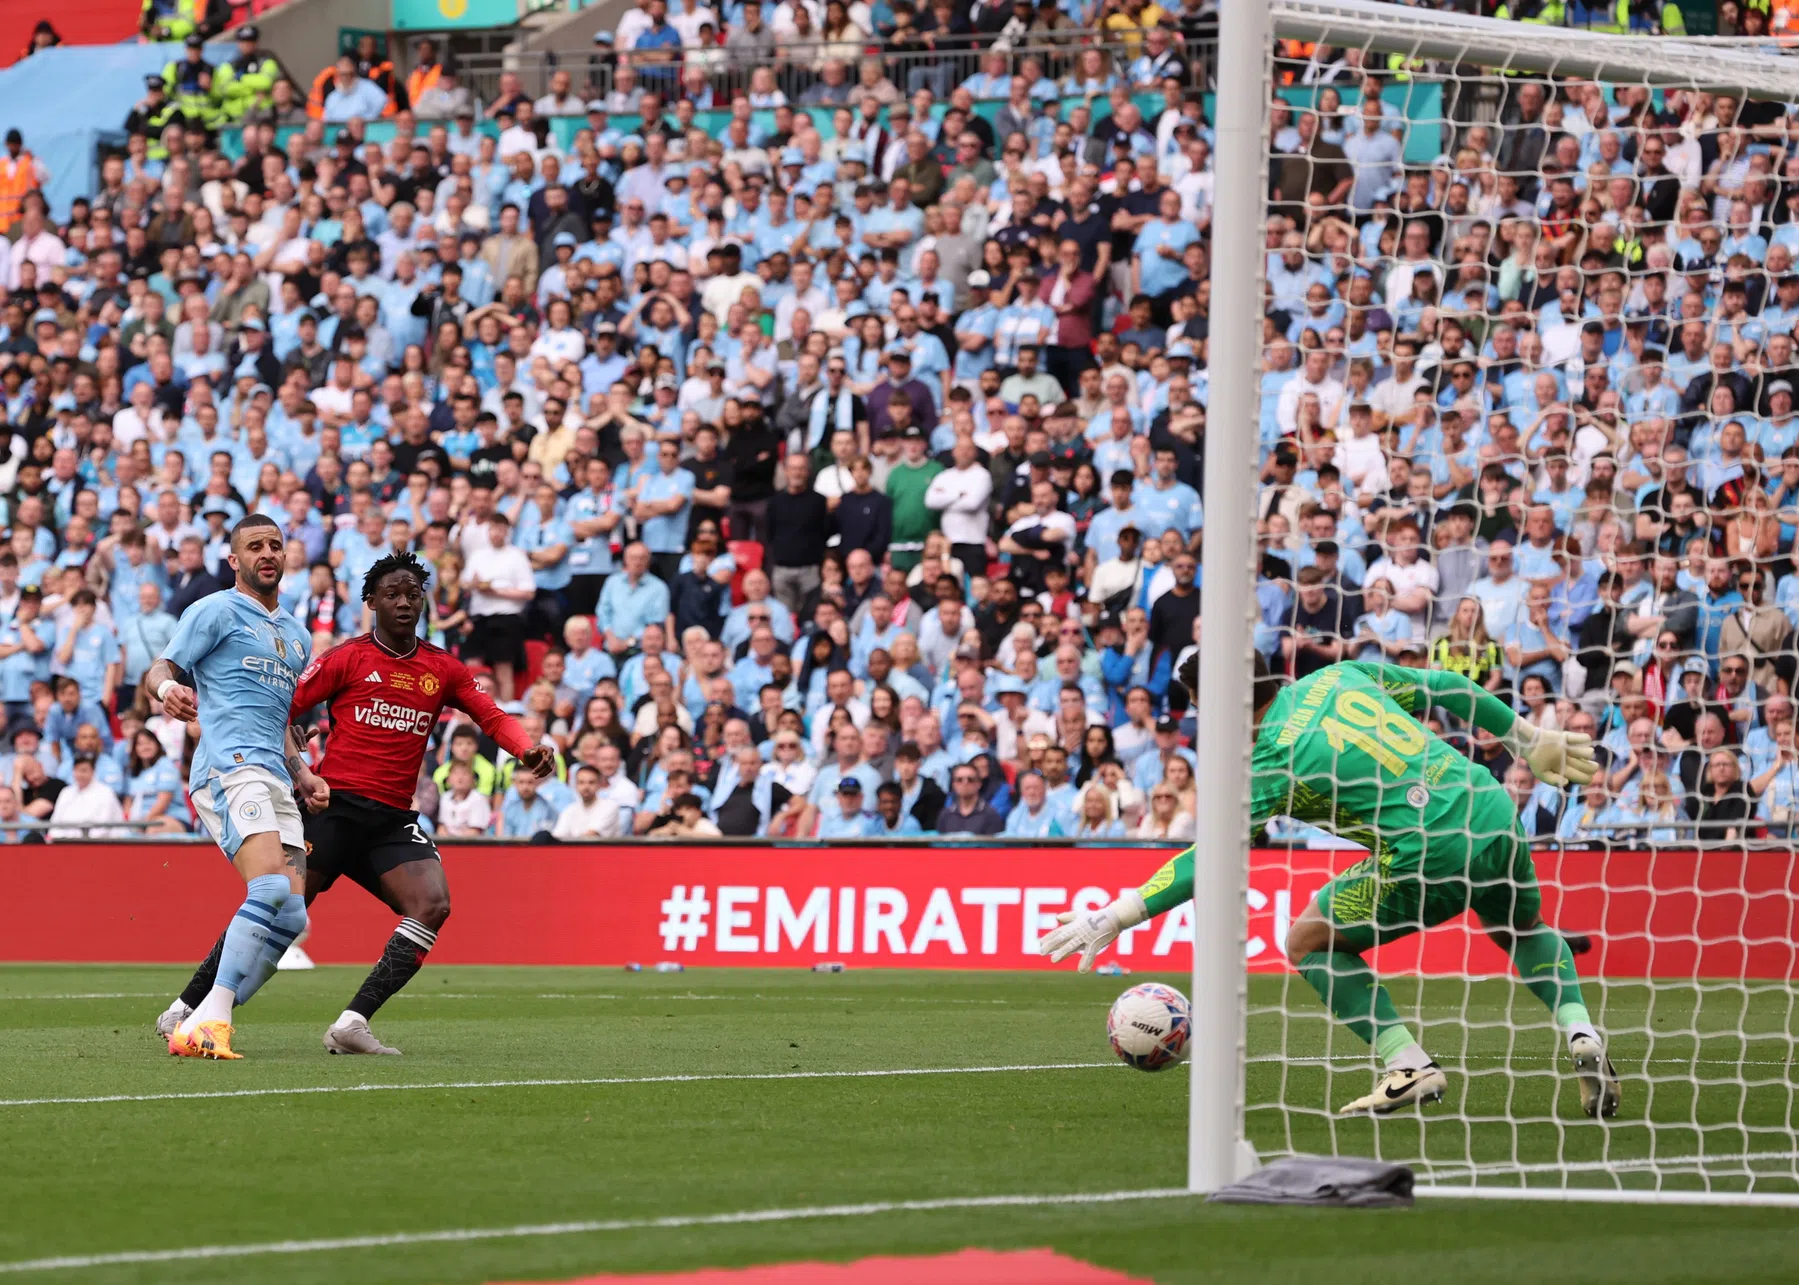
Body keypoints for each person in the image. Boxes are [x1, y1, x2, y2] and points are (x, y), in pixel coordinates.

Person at [1041, 654, 1619, 1119]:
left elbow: (1212, 853)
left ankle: (1407, 1063)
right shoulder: (1338, 675)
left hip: (1428, 851)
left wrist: (1117, 914)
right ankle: (1581, 1032)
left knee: (1307, 941)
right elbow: (1442, 681)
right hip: (1489, 805)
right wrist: (1521, 735)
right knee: (1523, 930)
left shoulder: (1267, 759)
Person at [155, 551, 554, 1056]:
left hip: (391, 820)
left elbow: (492, 717)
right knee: (276, 908)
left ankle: (352, 1022)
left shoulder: (442, 668)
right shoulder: (347, 658)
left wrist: (526, 748)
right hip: (332, 812)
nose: (405, 602)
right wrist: (296, 758)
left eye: (413, 594)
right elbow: (281, 708)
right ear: (371, 603)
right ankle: (188, 1008)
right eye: (392, 594)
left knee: (433, 904)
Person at [143, 515, 326, 1061]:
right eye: (255, 546)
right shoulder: (214, 610)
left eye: (275, 545)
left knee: (294, 916)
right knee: (268, 889)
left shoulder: (297, 635)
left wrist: (303, 772)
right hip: (228, 768)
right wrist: (168, 689)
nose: (267, 553)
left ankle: (190, 1016)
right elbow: (161, 666)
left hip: (274, 773)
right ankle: (212, 1023)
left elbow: (278, 722)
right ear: (235, 559)